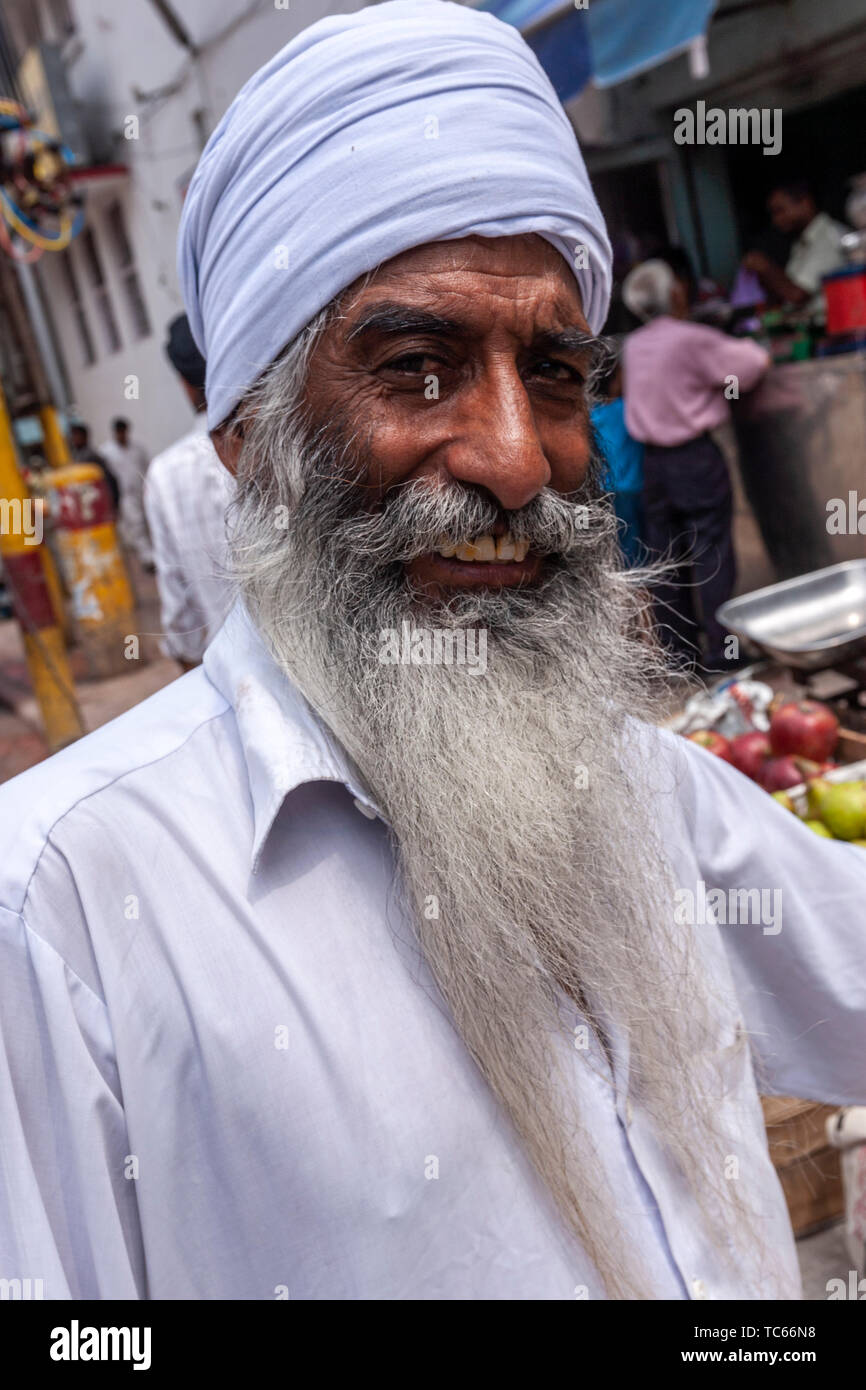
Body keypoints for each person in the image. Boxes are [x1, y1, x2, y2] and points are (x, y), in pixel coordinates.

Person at [0, 1, 863, 1303]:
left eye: (557, 374)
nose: (517, 459)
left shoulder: (640, 788)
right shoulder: (61, 909)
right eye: (416, 368)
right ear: (248, 438)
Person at [622, 257, 770, 670]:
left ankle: (679, 655)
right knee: (712, 552)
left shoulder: (634, 346)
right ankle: (724, 652)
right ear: (675, 293)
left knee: (668, 559)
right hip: (694, 459)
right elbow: (753, 364)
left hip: (653, 465)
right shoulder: (689, 339)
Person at [144, 314, 234, 667]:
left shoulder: (165, 475)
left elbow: (182, 618)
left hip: (230, 682)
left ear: (184, 383)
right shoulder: (292, 442)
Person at [743, 179, 848, 321]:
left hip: (828, 328)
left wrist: (765, 267)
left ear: (805, 203)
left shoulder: (828, 238)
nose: (776, 220)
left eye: (780, 211)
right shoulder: (801, 242)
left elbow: (797, 295)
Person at [589, 344, 644, 566]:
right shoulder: (628, 409)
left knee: (612, 544)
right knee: (635, 545)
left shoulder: (590, 417)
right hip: (632, 488)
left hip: (603, 490)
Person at [99, 415, 153, 568]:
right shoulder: (107, 452)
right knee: (137, 523)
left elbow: (147, 467)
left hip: (141, 490)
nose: (122, 435)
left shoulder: (137, 448)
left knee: (146, 521)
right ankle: (146, 557)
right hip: (124, 494)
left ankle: (149, 552)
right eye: (119, 432)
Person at [67, 419, 120, 511]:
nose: (74, 438)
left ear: (85, 436)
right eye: (73, 435)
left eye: (76, 435)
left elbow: (109, 479)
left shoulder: (91, 456)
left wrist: (113, 503)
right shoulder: (77, 455)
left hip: (95, 502)